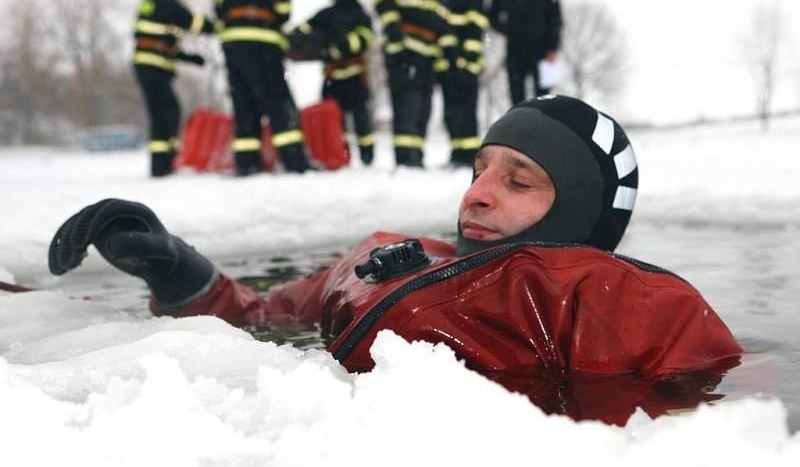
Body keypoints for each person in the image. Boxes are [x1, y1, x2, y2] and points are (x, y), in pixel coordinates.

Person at [49, 95, 742, 425]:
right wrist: (175, 267)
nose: (476, 194)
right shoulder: (381, 256)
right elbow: (259, 319)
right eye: (479, 168)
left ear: (583, 212)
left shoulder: (614, 298)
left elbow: (713, 427)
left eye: (519, 180)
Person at [215, 0, 310, 175]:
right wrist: (280, 16)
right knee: (278, 102)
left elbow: (218, 6)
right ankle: (296, 164)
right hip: (261, 41)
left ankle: (247, 166)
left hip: (232, 45)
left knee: (245, 107)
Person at [374, 0, 455, 167]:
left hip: (427, 57)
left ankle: (416, 157)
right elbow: (386, 6)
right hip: (403, 54)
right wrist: (397, 41)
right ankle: (405, 160)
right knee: (406, 107)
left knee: (422, 109)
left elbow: (440, 19)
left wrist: (445, 51)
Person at [132, 0, 216, 177]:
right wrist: (221, 26)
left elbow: (162, 44)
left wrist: (191, 57)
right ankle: (161, 166)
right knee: (164, 112)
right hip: (152, 67)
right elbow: (193, 22)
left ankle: (166, 162)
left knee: (169, 111)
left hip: (151, 65)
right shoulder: (164, 3)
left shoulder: (154, 3)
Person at [291, 0, 376, 165]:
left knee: (362, 120)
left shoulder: (359, 14)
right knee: (334, 122)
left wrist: (339, 49)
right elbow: (304, 28)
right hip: (331, 79)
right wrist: (291, 39)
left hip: (355, 77)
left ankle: (367, 159)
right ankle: (342, 157)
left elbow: (364, 38)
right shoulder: (326, 14)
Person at [488, 0, 562, 105]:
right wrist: (506, 28)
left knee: (546, 100)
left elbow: (555, 15)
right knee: (516, 100)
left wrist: (553, 47)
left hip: (543, 51)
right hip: (515, 51)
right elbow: (491, 15)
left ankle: (546, 129)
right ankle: (518, 130)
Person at [435, 0, 488, 167]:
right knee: (452, 113)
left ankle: (468, 158)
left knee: (466, 112)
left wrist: (466, 62)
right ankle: (457, 153)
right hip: (449, 68)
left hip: (465, 66)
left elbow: (475, 29)